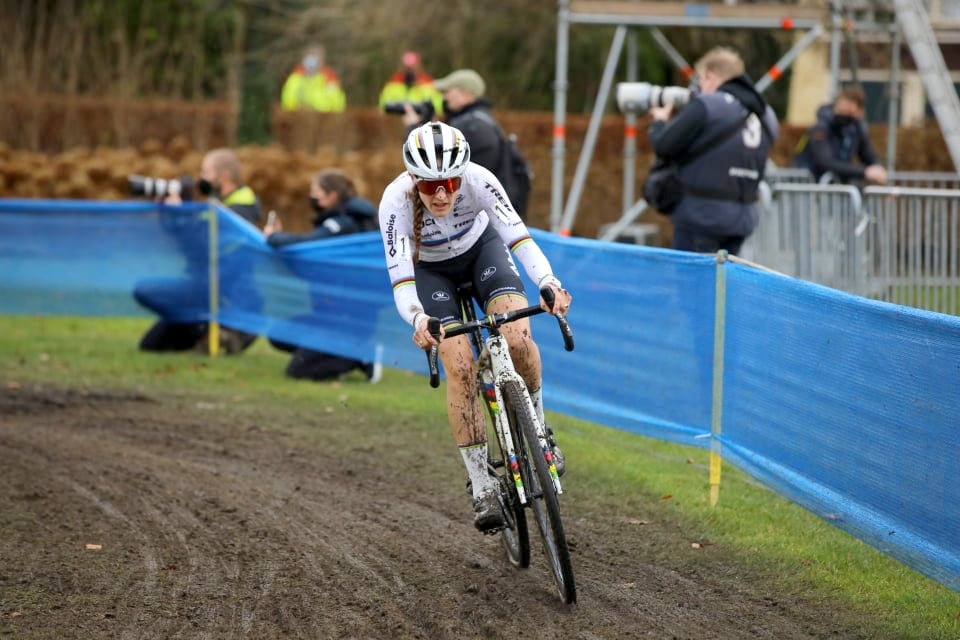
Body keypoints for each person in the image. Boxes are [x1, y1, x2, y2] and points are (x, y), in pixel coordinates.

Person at [377, 122, 572, 532]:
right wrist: (419, 319)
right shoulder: (395, 201)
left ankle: (539, 431)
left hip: (483, 253)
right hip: (431, 273)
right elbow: (401, 279)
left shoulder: (480, 179)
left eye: (450, 183)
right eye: (430, 186)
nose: (442, 194)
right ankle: (482, 485)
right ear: (413, 179)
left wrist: (548, 282)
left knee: (518, 337)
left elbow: (519, 239)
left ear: (461, 174)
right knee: (461, 366)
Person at [647, 46, 780, 256]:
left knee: (694, 276)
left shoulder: (708, 105)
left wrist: (659, 122)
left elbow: (664, 145)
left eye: (700, 80)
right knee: (725, 275)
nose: (699, 88)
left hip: (701, 215)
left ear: (710, 77)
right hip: (742, 218)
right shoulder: (766, 113)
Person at [134, 148, 262, 355]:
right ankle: (206, 330)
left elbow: (201, 242)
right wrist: (170, 214)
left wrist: (182, 214)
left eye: (205, 173)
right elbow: (189, 243)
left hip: (219, 291)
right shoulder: (216, 205)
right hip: (201, 286)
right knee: (151, 345)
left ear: (224, 176)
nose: (201, 179)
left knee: (146, 290)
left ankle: (227, 329)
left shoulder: (239, 211)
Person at [264, 168, 381, 383]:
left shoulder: (343, 225)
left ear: (332, 196)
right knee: (279, 334)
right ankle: (337, 354)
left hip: (349, 320)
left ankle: (362, 356)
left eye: (316, 192)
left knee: (298, 370)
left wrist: (276, 238)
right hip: (328, 316)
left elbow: (307, 243)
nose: (312, 197)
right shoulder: (341, 221)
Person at [401, 68, 531, 220]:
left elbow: (429, 164)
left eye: (448, 92)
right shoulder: (479, 120)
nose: (444, 97)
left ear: (466, 94)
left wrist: (413, 128)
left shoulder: (471, 127)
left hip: (477, 216)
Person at [792, 84, 888, 185]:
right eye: (841, 111)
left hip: (834, 186)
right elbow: (826, 162)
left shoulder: (856, 130)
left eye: (849, 112)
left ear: (860, 112)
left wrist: (877, 168)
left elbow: (868, 155)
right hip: (809, 185)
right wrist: (864, 172)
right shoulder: (820, 129)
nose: (844, 116)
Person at [280, 44, 346, 113]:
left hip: (323, 117)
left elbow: (338, 105)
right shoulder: (295, 78)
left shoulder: (330, 79)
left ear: (322, 60)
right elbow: (287, 101)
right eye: (309, 57)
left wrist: (318, 109)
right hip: (300, 116)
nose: (312, 62)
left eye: (316, 58)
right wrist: (298, 107)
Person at [378, 50, 443, 116]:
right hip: (396, 118)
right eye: (407, 67)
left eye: (412, 67)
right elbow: (383, 106)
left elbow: (438, 108)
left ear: (419, 66)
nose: (409, 70)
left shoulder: (428, 83)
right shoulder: (393, 83)